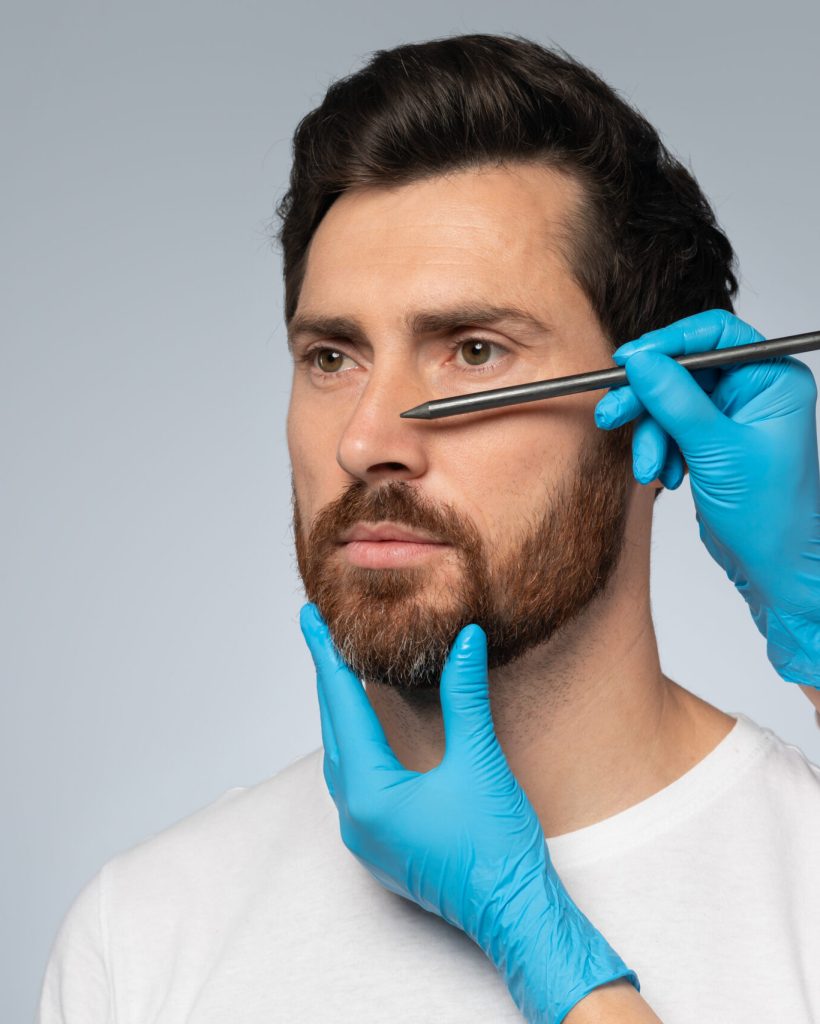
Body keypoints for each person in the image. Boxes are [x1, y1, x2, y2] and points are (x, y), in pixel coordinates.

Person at [38, 33, 820, 1024]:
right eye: (331, 357)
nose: (368, 438)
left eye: (474, 350)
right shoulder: (146, 937)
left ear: (661, 408)